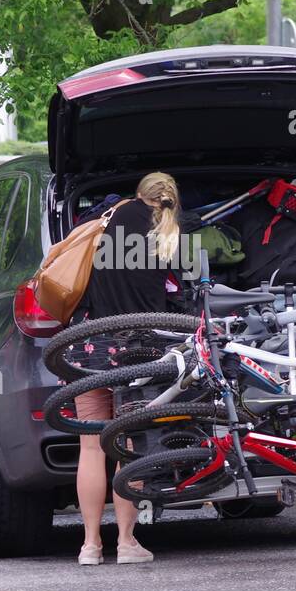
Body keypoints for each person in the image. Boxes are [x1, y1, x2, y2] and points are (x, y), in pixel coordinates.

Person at [69, 171, 182, 566]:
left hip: (90, 344)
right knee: (128, 446)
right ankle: (127, 543)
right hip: (138, 351)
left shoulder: (106, 218)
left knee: (90, 447)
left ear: (138, 193)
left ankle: (89, 545)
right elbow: (180, 297)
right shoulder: (169, 236)